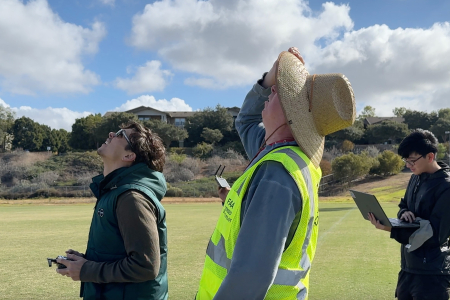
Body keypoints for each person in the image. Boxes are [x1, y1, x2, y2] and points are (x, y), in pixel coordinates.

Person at [196, 47, 356, 300]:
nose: (272, 90)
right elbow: (246, 120)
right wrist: (270, 76)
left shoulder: (277, 171)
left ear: (294, 115)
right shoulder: (274, 151)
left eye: (281, 91)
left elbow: (250, 277)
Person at [56, 121, 168, 300]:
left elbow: (144, 266)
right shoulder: (114, 191)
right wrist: (87, 261)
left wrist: (87, 270)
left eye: (119, 134)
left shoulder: (132, 198)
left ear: (129, 155)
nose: (110, 134)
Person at [369, 129, 450, 300]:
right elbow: (404, 204)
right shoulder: (416, 177)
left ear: (430, 156)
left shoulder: (446, 187)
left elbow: (436, 235)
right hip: (408, 268)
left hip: (432, 274)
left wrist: (390, 229)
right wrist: (404, 212)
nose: (408, 165)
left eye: (412, 160)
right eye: (406, 160)